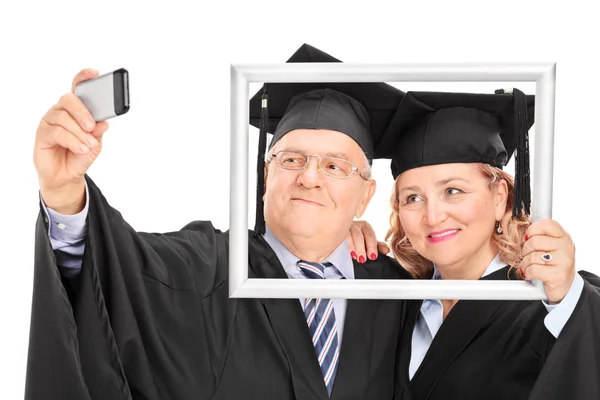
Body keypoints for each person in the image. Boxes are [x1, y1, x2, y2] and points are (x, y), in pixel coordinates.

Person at [25, 44, 413, 400]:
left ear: (365, 195)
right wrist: (63, 192)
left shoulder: (397, 293)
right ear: (266, 177)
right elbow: (114, 275)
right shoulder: (206, 268)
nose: (309, 177)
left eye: (334, 166)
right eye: (292, 159)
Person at [349, 89, 600, 399]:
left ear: (500, 199)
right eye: (413, 198)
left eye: (453, 191)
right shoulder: (398, 302)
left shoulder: (549, 302)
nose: (433, 215)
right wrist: (335, 240)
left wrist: (566, 293)